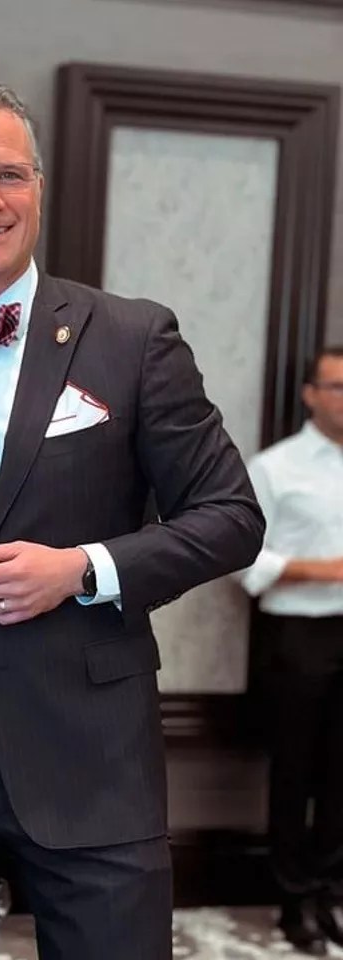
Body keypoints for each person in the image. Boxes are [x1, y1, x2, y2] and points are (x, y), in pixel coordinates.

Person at [0, 81, 265, 959]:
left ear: (39, 188)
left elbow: (231, 517)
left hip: (92, 762)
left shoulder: (134, 338)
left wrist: (83, 569)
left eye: (9, 175)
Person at [238, 346, 343, 956]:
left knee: (341, 776)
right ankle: (293, 900)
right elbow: (245, 557)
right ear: (309, 393)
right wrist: (325, 570)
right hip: (300, 637)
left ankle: (330, 890)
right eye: (336, 386)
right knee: (295, 771)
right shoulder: (276, 467)